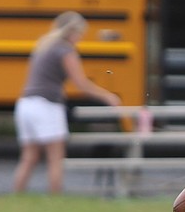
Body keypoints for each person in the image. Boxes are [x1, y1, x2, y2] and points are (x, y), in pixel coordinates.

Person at [12, 12, 121, 195]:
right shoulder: (65, 50)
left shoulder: (44, 45)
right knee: (56, 158)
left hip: (25, 104)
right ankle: (55, 198)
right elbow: (80, 83)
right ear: (73, 32)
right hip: (46, 106)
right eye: (80, 35)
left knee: (29, 157)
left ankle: (17, 196)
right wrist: (108, 96)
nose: (80, 40)